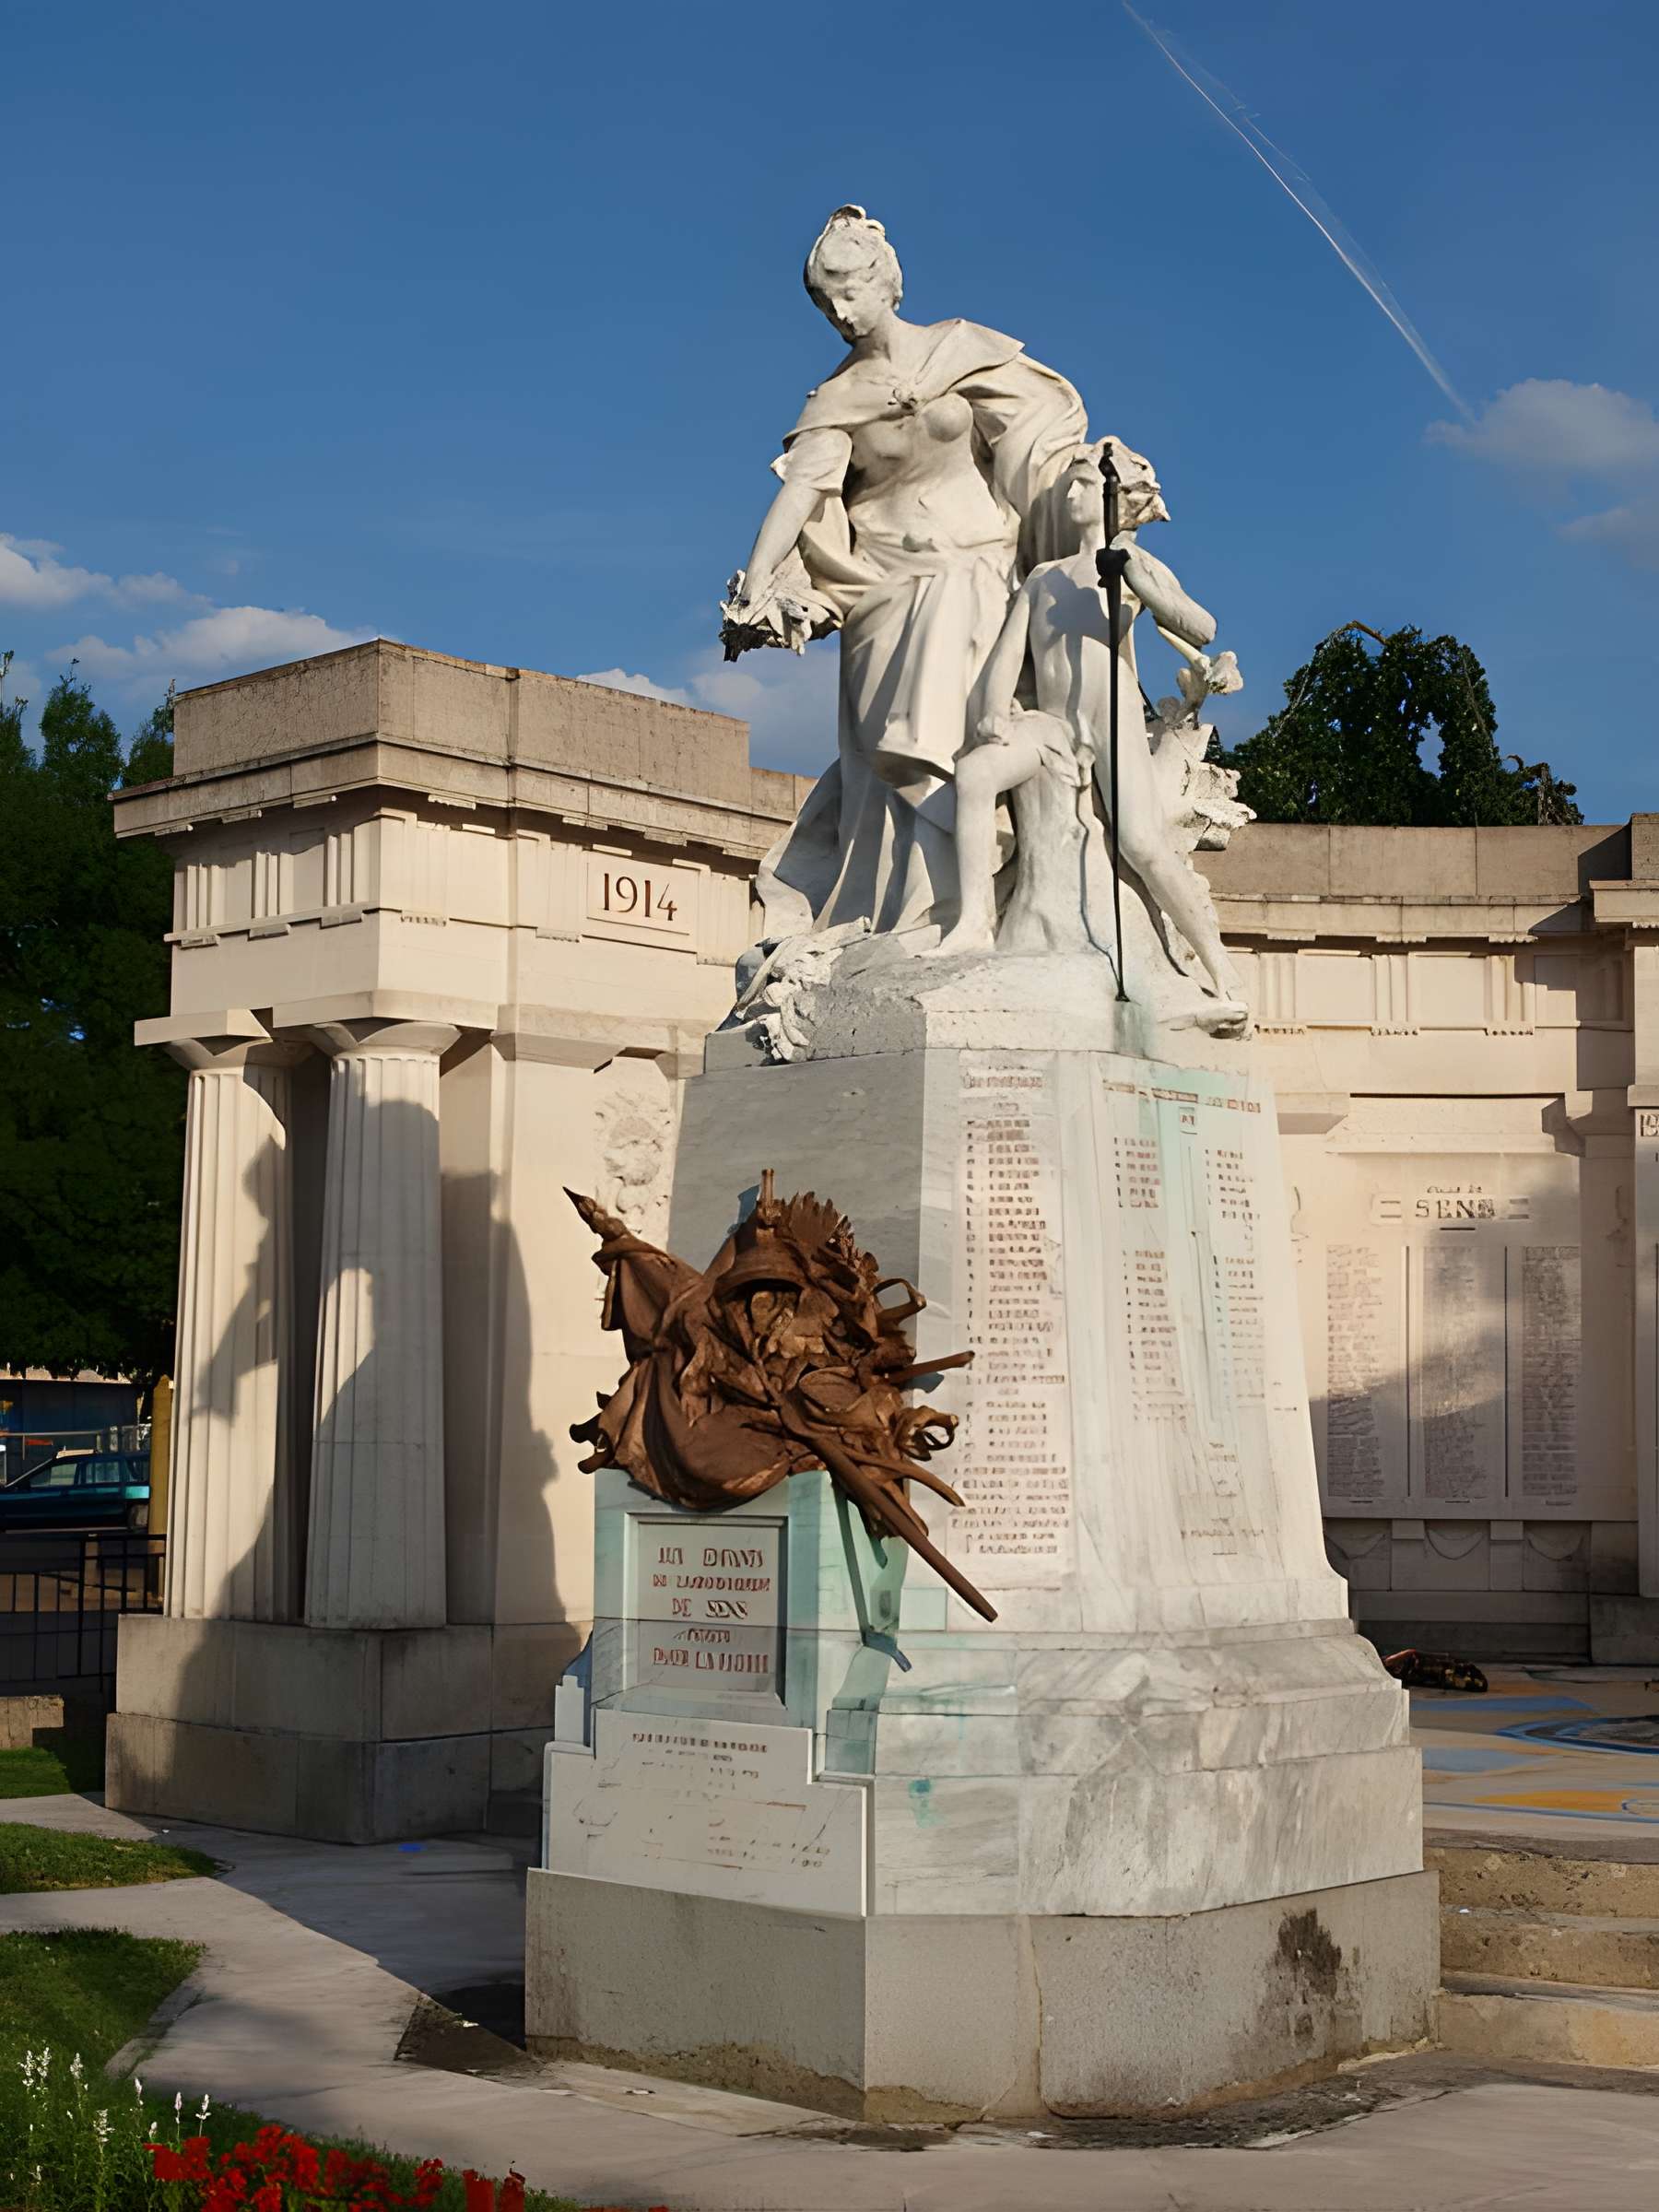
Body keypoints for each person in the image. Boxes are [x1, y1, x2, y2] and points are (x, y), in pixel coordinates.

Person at [724, 206, 1086, 944]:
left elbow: (1038, 450)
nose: (842, 313)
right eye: (826, 303)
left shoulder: (967, 352)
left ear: (886, 280)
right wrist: (756, 578)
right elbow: (803, 491)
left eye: (851, 291)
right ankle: (909, 916)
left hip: (980, 564)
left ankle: (964, 910)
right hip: (883, 593)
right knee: (894, 761)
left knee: (961, 730)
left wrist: (1085, 511)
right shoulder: (834, 399)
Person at [932, 441, 1247, 1024]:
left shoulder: (1135, 565)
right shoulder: (1045, 578)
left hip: (1112, 715)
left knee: (1143, 845)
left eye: (1082, 485)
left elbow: (1199, 626)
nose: (1070, 495)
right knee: (976, 774)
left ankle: (1222, 974)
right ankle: (975, 924)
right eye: (1071, 485)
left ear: (1119, 500)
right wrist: (995, 707)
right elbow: (1009, 652)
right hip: (1051, 723)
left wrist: (1132, 578)